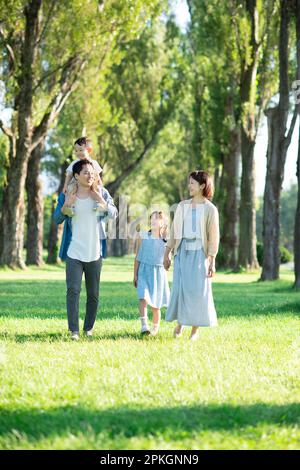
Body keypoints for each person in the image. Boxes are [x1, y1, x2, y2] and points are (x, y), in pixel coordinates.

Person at [53, 158, 118, 340]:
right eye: (86, 173)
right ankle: (74, 330)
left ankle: (88, 328)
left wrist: (101, 201)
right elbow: (56, 218)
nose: (90, 176)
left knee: (94, 294)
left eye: (92, 173)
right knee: (73, 291)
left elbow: (114, 214)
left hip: (94, 252)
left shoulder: (102, 192)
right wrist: (66, 204)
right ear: (76, 175)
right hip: (74, 251)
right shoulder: (67, 194)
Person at [164, 170, 219, 341]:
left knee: (197, 292)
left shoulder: (210, 209)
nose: (189, 186)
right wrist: (168, 253)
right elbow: (174, 232)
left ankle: (195, 330)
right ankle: (180, 323)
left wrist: (212, 260)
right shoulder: (182, 206)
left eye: (192, 183)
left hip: (199, 255)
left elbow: (213, 236)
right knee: (181, 290)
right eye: (189, 183)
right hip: (182, 254)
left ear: (202, 186)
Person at [134, 211, 170, 336]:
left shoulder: (166, 241)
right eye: (152, 219)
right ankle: (144, 326)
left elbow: (167, 264)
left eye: (157, 219)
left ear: (162, 223)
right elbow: (137, 257)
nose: (154, 221)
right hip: (144, 271)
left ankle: (155, 328)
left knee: (156, 305)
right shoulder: (143, 236)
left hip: (158, 274)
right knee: (143, 298)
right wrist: (135, 274)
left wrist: (168, 259)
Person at [62, 137, 103, 215]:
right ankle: (70, 207)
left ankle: (97, 204)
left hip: (91, 183)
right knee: (70, 189)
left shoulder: (93, 162)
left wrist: (100, 182)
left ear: (89, 150)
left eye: (81, 150)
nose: (78, 153)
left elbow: (97, 175)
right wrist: (65, 186)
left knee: (98, 188)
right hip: (76, 183)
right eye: (76, 150)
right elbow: (69, 175)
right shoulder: (75, 163)